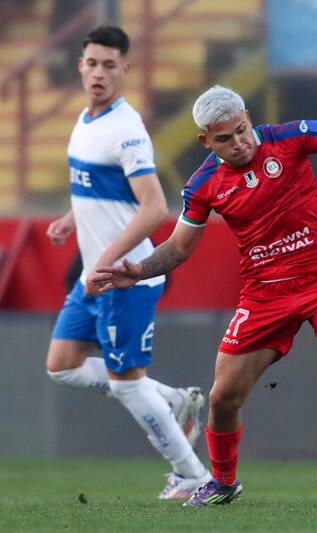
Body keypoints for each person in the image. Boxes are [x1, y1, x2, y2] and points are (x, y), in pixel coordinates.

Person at [90, 85, 317, 506]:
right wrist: (137, 271)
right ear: (205, 141)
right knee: (222, 397)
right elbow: (179, 247)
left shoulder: (287, 137)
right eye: (224, 139)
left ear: (248, 117)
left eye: (242, 130)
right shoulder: (203, 183)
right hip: (263, 294)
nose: (239, 143)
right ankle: (224, 481)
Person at [45, 25, 209, 501]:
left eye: (109, 66)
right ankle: (174, 400)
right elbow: (102, 191)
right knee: (62, 366)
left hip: (123, 278)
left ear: (124, 70)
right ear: (81, 66)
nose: (98, 73)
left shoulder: (125, 129)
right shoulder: (87, 118)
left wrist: (109, 261)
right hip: (96, 273)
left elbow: (156, 207)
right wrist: (71, 217)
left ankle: (192, 475)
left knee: (126, 385)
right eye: (92, 63)